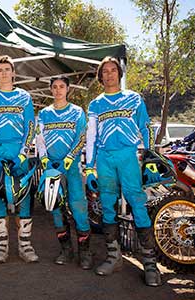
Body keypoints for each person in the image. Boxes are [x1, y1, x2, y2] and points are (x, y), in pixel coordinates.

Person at [85, 56, 161, 286]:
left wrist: (149, 155)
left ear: (119, 73)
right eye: (104, 71)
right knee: (107, 208)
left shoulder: (134, 99)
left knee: (138, 205)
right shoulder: (96, 104)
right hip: (105, 159)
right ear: (100, 77)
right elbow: (91, 137)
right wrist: (89, 168)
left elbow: (145, 127)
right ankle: (113, 257)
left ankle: (150, 265)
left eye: (112, 70)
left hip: (128, 157)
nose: (109, 74)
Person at [0, 55, 37, 263]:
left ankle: (25, 245)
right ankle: (1, 245)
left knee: (24, 197)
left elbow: (30, 127)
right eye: (0, 70)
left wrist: (23, 152)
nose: (4, 73)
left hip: (19, 152)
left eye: (7, 69)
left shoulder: (25, 97)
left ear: (13, 72)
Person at [35, 76, 93, 269]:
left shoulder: (77, 112)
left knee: (79, 208)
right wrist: (45, 160)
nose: (58, 90)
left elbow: (81, 137)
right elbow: (39, 139)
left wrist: (69, 158)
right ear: (50, 90)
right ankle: (65, 250)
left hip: (72, 168)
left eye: (62, 86)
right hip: (52, 168)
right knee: (56, 208)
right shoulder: (44, 114)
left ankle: (85, 252)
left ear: (68, 89)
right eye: (54, 87)